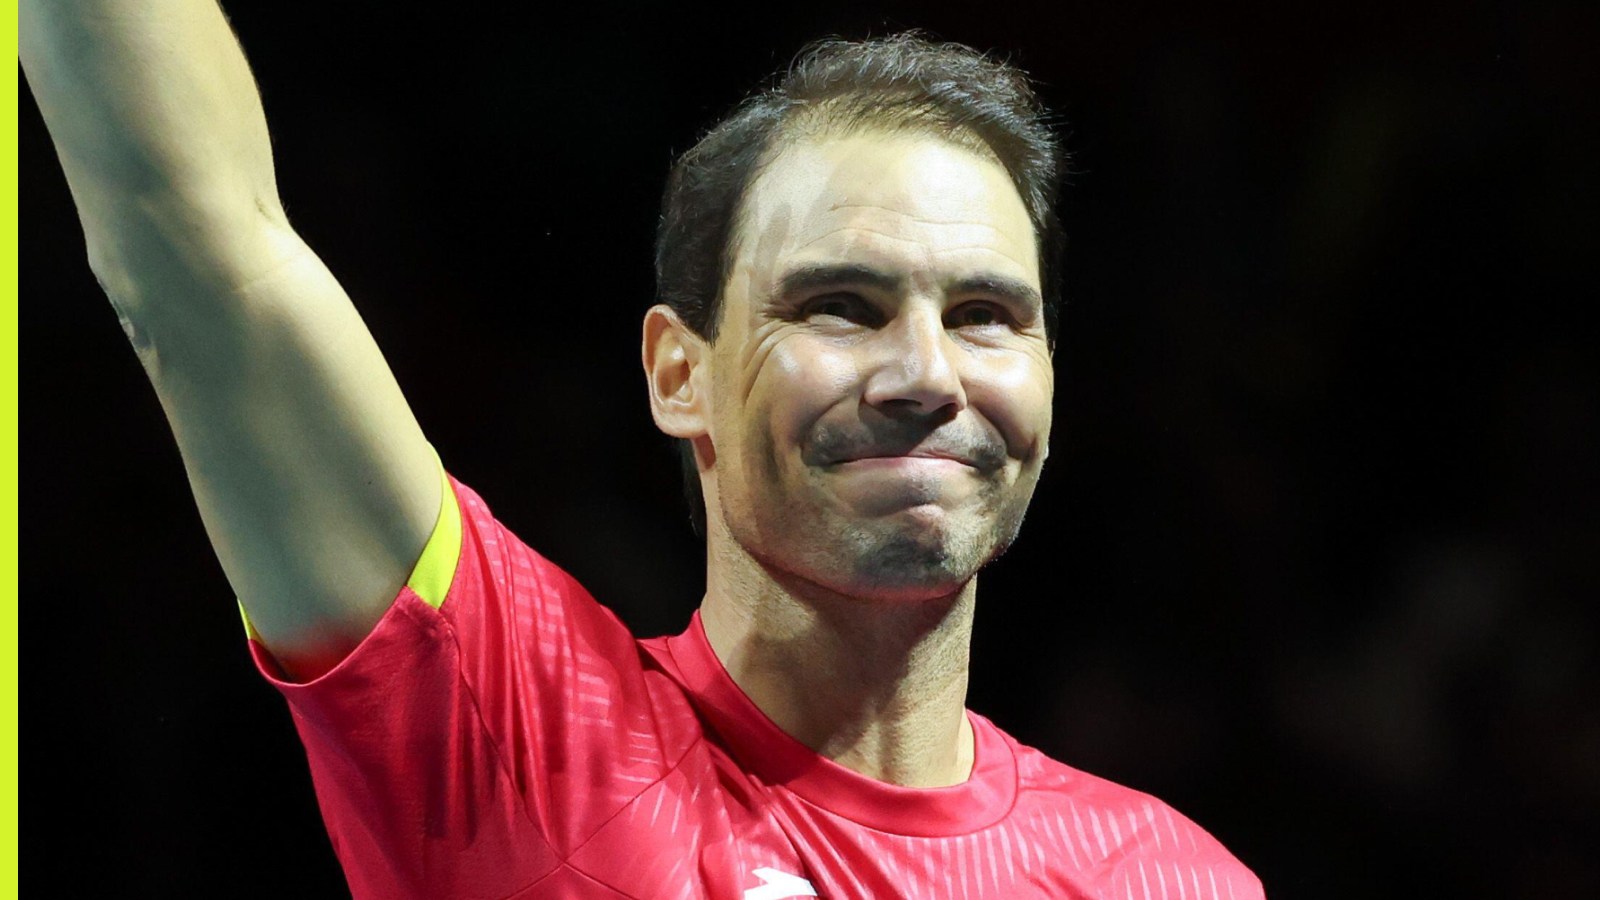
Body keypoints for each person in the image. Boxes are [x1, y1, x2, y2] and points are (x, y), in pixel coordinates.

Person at [21, 2, 1264, 897]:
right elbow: (198, 250)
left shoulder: (1172, 879)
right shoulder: (526, 736)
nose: (926, 376)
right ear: (681, 374)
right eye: (840, 305)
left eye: (986, 314)